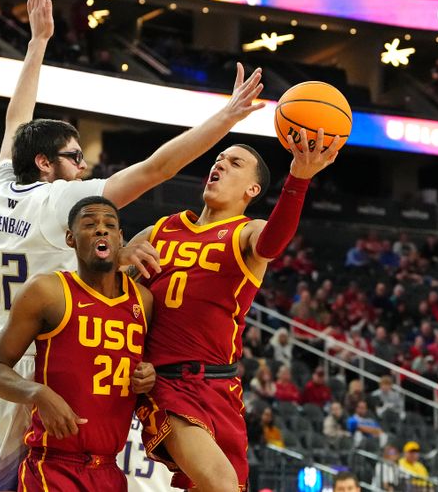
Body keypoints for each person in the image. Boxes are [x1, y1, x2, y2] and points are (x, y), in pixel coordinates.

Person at [0, 0, 266, 492]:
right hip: (36, 368)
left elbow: (16, 119)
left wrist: (37, 44)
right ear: (46, 164)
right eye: (74, 158)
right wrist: (226, 117)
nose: (83, 167)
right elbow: (156, 169)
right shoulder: (58, 202)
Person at [129, 131, 340, 489]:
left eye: (235, 162)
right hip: (165, 382)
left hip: (220, 386)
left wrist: (298, 179)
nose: (221, 163)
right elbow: (107, 296)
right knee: (222, 484)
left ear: (251, 190)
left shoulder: (247, 232)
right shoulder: (162, 229)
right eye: (219, 159)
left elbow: (273, 242)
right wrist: (119, 254)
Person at [0, 197, 156, 492]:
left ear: (120, 238)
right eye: (90, 225)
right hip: (53, 467)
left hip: (110, 470)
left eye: (110, 225)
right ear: (70, 239)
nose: (101, 231)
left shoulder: (143, 301)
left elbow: (147, 367)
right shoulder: (47, 292)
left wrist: (148, 374)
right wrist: (39, 393)